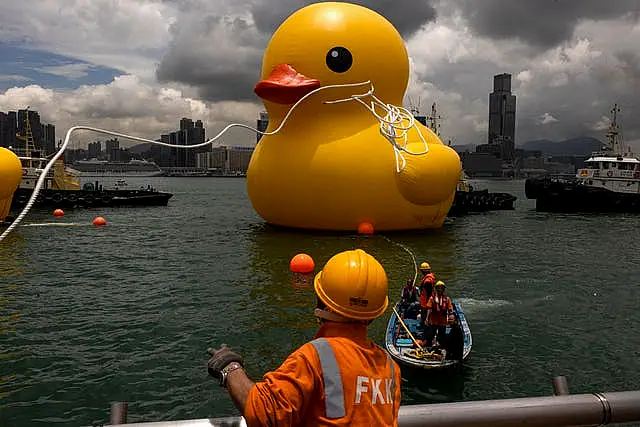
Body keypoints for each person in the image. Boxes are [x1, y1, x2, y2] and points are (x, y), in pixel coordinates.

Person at [206, 249, 402, 426]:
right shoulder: (390, 367)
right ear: (374, 313)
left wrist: (230, 367)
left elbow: (265, 413)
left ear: (323, 303)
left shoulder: (315, 357)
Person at [423, 280, 453, 347]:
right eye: (438, 288)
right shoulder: (432, 298)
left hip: (442, 321)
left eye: (441, 288)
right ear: (436, 289)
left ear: (443, 290)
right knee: (430, 336)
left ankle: (441, 347)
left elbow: (450, 309)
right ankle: (429, 347)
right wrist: (427, 319)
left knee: (442, 336)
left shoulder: (447, 299)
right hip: (433, 321)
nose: (440, 290)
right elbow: (429, 309)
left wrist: (451, 319)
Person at [418, 262, 435, 328]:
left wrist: (429, 305)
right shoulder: (429, 278)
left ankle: (425, 329)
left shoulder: (427, 281)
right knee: (424, 316)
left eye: (421, 270)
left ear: (424, 271)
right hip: (425, 301)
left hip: (426, 303)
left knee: (425, 317)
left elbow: (429, 293)